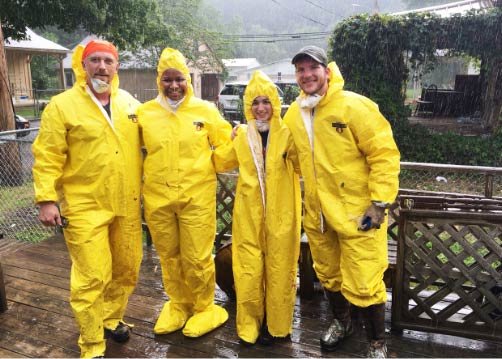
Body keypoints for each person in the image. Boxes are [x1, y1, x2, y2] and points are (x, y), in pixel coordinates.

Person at [283, 45, 400, 358]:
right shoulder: (294, 113)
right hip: (319, 214)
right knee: (329, 273)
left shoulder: (354, 106)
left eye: (312, 68)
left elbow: (383, 153)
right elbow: (290, 155)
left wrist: (379, 203)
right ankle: (342, 323)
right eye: (301, 69)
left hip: (358, 213)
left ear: (327, 71)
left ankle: (376, 343)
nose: (307, 75)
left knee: (366, 278)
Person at [32, 40, 143, 358]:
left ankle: (111, 319)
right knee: (92, 275)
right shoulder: (62, 105)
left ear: (116, 67)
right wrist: (46, 200)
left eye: (108, 61)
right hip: (84, 205)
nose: (101, 67)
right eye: (94, 60)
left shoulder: (129, 104)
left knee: (125, 268)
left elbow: (159, 134)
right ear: (82, 65)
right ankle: (92, 342)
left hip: (126, 202)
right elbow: (47, 155)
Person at [137, 48, 233, 338]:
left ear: (188, 80)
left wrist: (242, 141)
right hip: (158, 198)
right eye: (168, 79)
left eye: (179, 78)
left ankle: (205, 308)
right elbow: (131, 154)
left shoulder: (205, 111)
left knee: (197, 256)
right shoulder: (144, 114)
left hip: (197, 198)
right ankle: (178, 304)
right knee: (169, 255)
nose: (174, 85)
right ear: (159, 80)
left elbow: (225, 150)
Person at [227, 70, 301, 345]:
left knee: (281, 271)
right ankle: (249, 326)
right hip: (248, 215)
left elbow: (305, 165)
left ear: (275, 104)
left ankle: (277, 326)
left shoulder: (288, 135)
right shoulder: (242, 135)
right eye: (255, 102)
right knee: (248, 271)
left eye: (266, 102)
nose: (261, 108)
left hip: (283, 215)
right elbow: (219, 160)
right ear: (248, 106)